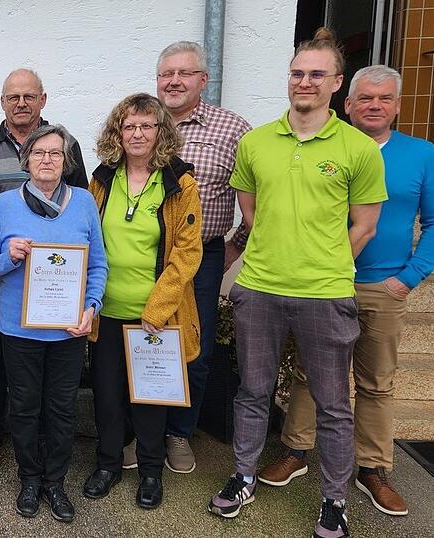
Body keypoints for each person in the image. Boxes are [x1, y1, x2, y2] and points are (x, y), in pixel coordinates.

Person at [207, 29, 386, 538]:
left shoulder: (358, 148)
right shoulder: (256, 143)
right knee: (252, 391)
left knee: (332, 404)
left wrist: (323, 265)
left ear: (336, 83)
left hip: (325, 294)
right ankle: (243, 475)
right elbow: (251, 214)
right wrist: (277, 256)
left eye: (315, 74)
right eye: (297, 73)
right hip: (260, 288)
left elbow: (364, 226)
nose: (304, 82)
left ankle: (334, 501)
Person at [258, 65, 433, 518]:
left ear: (398, 105)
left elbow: (433, 222)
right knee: (307, 373)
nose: (375, 106)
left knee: (375, 381)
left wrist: (411, 276)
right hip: (319, 284)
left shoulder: (421, 154)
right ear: (348, 103)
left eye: (385, 98)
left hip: (380, 284)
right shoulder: (325, 147)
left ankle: (373, 468)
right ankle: (296, 450)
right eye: (366, 98)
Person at [0, 124, 105, 522]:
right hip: (19, 329)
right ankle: (30, 479)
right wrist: (9, 257)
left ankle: (55, 482)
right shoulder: (4, 205)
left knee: (62, 409)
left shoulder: (83, 202)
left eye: (55, 153)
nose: (47, 160)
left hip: (69, 329)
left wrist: (91, 308)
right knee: (24, 407)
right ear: (26, 160)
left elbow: (98, 265)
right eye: (38, 153)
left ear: (66, 162)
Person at [82, 93, 203, 510]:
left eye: (146, 126)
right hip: (106, 312)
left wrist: (158, 308)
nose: (137, 133)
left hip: (155, 316)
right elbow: (87, 238)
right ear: (118, 132)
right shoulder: (102, 180)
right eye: (129, 126)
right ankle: (108, 464)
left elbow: (187, 252)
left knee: (151, 398)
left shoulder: (180, 183)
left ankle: (151, 472)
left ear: (160, 132)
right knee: (107, 395)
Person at [0, 68, 90, 465]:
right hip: (1, 283)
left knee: (46, 377)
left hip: (54, 284)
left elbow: (77, 206)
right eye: (13, 97)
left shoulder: (64, 143)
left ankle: (41, 441)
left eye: (28, 96)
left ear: (43, 99)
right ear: (2, 102)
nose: (21, 103)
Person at [148, 41, 252, 474]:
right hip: (144, 254)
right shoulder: (141, 121)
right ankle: (142, 430)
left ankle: (179, 432)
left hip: (202, 256)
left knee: (196, 345)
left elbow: (256, 196)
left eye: (184, 73)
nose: (174, 81)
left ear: (203, 80)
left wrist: (235, 245)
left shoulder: (232, 129)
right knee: (143, 337)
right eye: (166, 74)